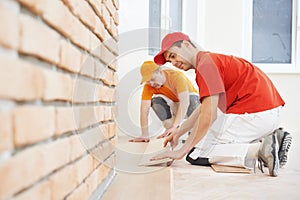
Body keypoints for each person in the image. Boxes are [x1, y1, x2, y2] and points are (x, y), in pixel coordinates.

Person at [151, 32, 292, 177]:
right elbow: (203, 107)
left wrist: (182, 150)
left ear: (186, 45)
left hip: (255, 115)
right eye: (170, 61)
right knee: (200, 143)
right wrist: (178, 132)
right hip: (270, 115)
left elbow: (209, 115)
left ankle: (261, 150)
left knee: (196, 153)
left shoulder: (206, 65)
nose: (173, 63)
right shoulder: (211, 60)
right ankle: (273, 140)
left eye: (173, 56)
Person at [129, 60, 200, 142]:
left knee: (190, 97)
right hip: (175, 106)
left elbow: (185, 102)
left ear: (160, 72)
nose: (151, 84)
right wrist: (144, 134)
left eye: (152, 79)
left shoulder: (176, 76)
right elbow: (144, 110)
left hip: (191, 105)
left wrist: (175, 125)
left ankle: (194, 134)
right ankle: (171, 133)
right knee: (156, 101)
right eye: (148, 81)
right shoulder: (149, 86)